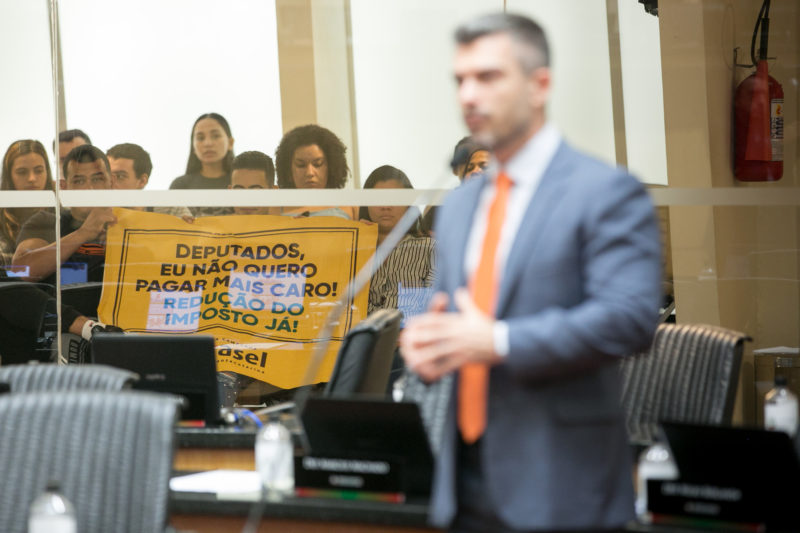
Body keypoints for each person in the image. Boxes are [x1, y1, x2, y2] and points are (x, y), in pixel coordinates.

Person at [400, 13, 662, 532]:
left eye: (489, 77)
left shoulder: (605, 192)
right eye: (461, 80)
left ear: (539, 85)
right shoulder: (457, 209)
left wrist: (496, 341)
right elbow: (456, 320)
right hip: (463, 482)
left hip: (560, 480)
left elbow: (629, 319)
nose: (469, 95)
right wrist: (430, 345)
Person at [14, 144, 116, 285]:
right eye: (79, 181)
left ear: (111, 183)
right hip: (61, 305)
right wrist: (83, 233)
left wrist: (121, 247)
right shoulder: (47, 221)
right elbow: (21, 271)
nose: (89, 188)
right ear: (64, 187)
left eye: (97, 179)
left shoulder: (126, 224)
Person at [358, 165, 435, 315]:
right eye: (377, 199)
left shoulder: (430, 249)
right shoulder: (352, 250)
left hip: (409, 335)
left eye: (394, 198)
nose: (386, 206)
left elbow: (434, 308)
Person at [274, 124, 355, 219]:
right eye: (301, 165)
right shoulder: (274, 209)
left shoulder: (351, 205)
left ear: (332, 166)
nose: (310, 173)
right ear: (288, 170)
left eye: (318, 164)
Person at [0, 140, 55, 266]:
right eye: (22, 172)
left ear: (47, 172)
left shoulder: (60, 216)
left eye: (38, 170)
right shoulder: (2, 219)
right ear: (9, 176)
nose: (32, 179)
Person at [170, 112, 235, 217]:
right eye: (200, 138)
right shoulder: (180, 186)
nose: (208, 143)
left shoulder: (240, 185)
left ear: (230, 143)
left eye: (215, 136)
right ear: (193, 147)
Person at [106, 143, 192, 218]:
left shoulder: (171, 211)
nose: (110, 183)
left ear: (142, 181)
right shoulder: (97, 212)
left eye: (120, 176)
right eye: (106, 175)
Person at [228, 150, 276, 215]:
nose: (246, 200)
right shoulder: (215, 225)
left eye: (255, 192)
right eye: (239, 191)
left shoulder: (290, 224)